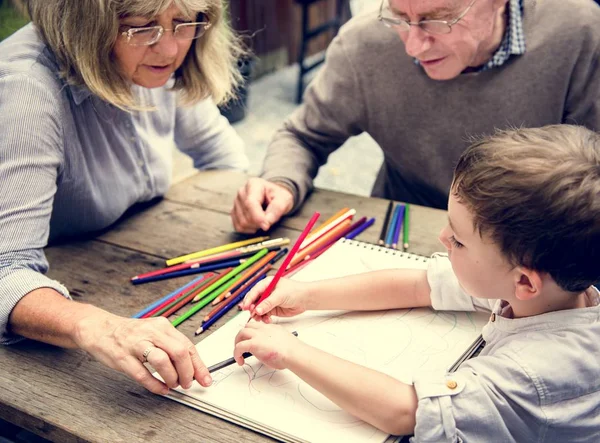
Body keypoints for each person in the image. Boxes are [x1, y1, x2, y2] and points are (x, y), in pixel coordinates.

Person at [235, 125, 600, 440]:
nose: (442, 238)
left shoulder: (535, 371)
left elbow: (407, 411)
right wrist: (306, 294)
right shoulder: (549, 293)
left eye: (458, 240)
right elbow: (418, 285)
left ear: (524, 282)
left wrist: (291, 352)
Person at [0, 0, 248, 394]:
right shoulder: (26, 89)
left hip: (132, 259)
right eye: (140, 26)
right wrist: (99, 327)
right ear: (84, 25)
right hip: (55, 320)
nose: (169, 49)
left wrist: (252, 194)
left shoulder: (157, 59)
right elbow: (6, 270)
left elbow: (222, 155)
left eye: (184, 22)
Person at [230, 0, 600, 233]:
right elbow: (303, 136)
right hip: (402, 230)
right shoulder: (364, 45)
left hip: (534, 241)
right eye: (399, 17)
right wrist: (281, 182)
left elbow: (591, 170)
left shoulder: (578, 31)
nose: (413, 45)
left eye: (437, 20)